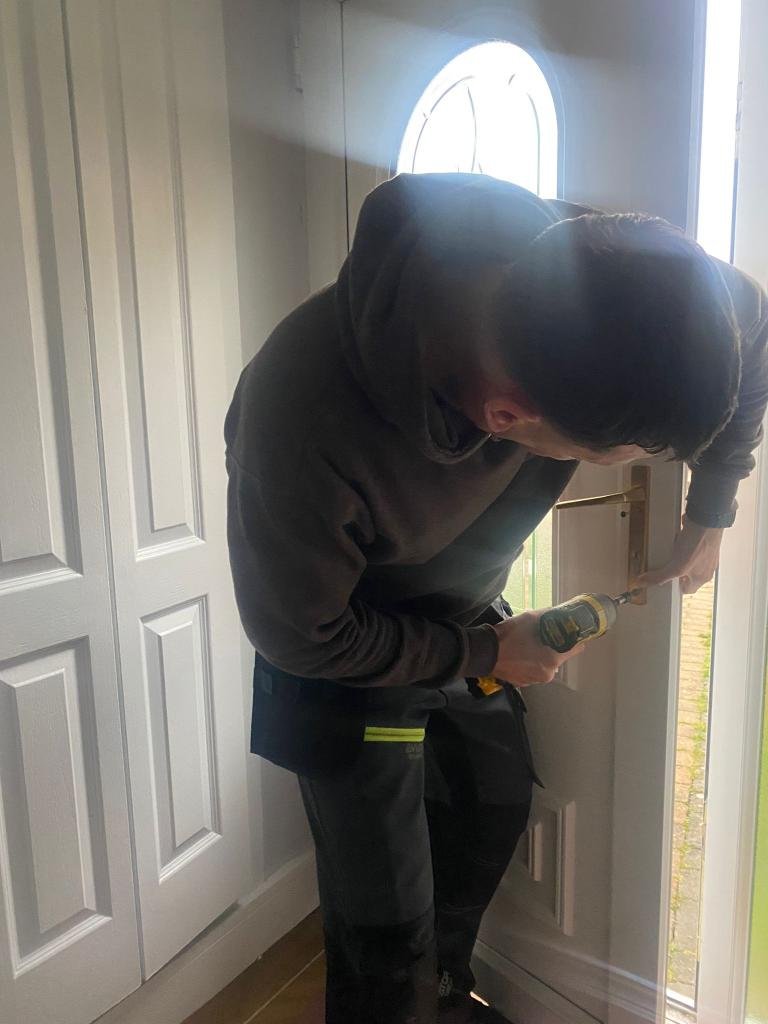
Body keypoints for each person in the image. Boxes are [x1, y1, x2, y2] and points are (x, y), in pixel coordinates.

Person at [225, 173, 768, 1024]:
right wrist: (487, 654)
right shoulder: (302, 419)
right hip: (344, 655)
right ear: (506, 417)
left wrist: (713, 505)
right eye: (627, 454)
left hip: (464, 617)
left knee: (490, 808)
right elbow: (303, 635)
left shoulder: (602, 269)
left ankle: (443, 997)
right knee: (385, 923)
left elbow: (751, 323)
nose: (639, 467)